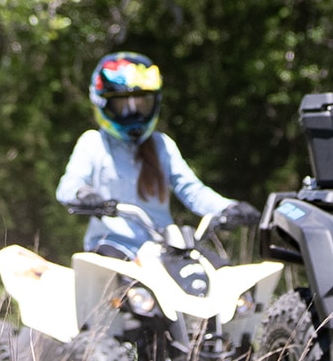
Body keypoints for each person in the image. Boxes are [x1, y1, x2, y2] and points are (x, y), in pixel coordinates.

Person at [55, 51, 257, 259]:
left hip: (162, 249)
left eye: (141, 104)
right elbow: (68, 186)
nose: (133, 113)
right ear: (102, 103)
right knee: (125, 289)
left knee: (219, 274)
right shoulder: (93, 142)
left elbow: (192, 191)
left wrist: (229, 207)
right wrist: (84, 194)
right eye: (123, 105)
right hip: (110, 247)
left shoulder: (162, 145)